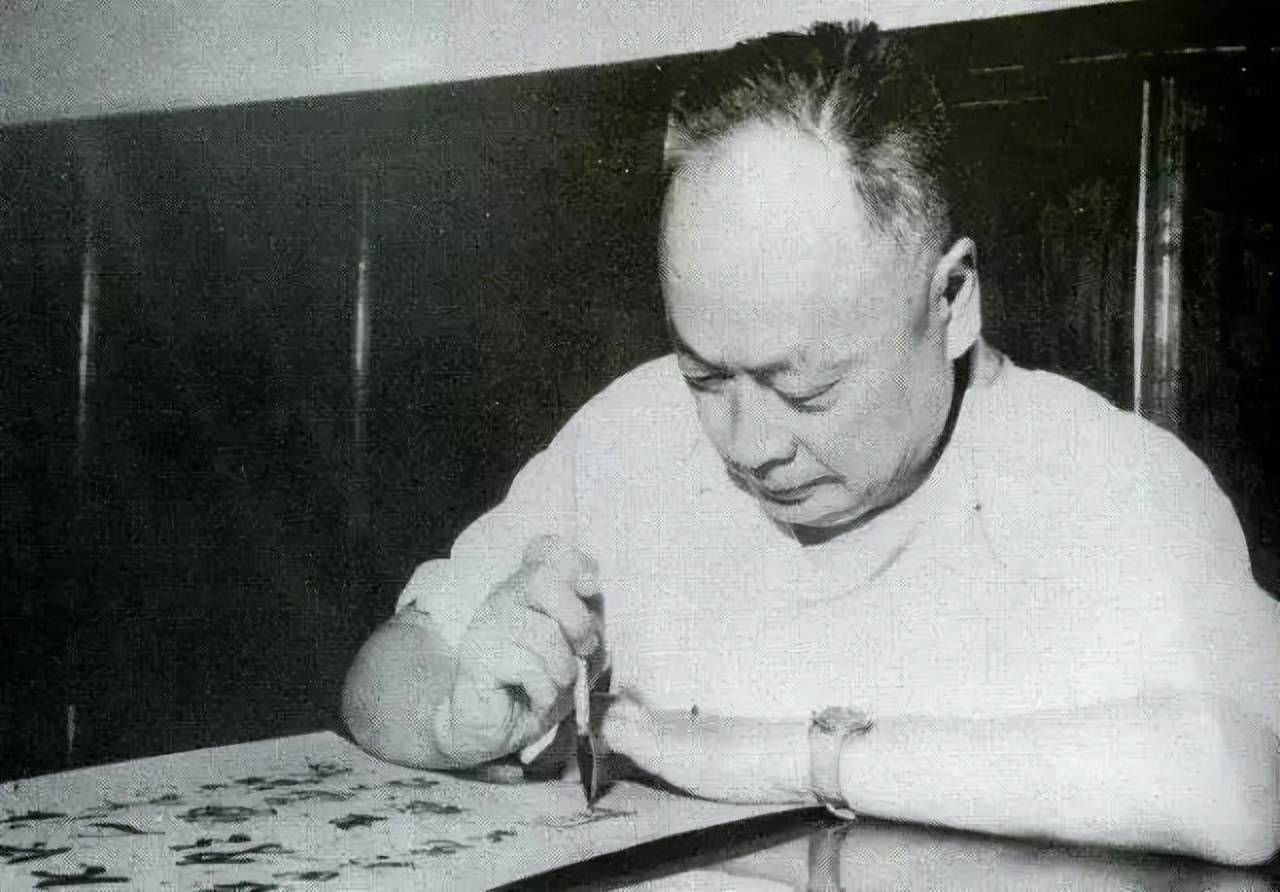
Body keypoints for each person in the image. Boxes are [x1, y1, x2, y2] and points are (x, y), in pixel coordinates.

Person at [342, 21, 1279, 865]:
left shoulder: (1101, 485)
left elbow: (1245, 789)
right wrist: (453, 720)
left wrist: (782, 758)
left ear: (952, 303)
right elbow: (387, 668)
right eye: (706, 374)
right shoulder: (634, 430)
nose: (750, 445)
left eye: (807, 389)